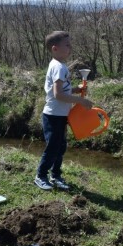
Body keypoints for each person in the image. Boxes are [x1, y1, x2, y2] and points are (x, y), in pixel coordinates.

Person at [35, 31, 93, 191]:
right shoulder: (59, 67)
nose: (70, 48)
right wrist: (81, 100)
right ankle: (40, 176)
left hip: (60, 115)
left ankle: (55, 175)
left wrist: (76, 89)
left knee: (60, 147)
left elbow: (63, 91)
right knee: (53, 147)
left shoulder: (59, 66)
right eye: (67, 45)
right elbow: (58, 94)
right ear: (55, 48)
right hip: (53, 115)